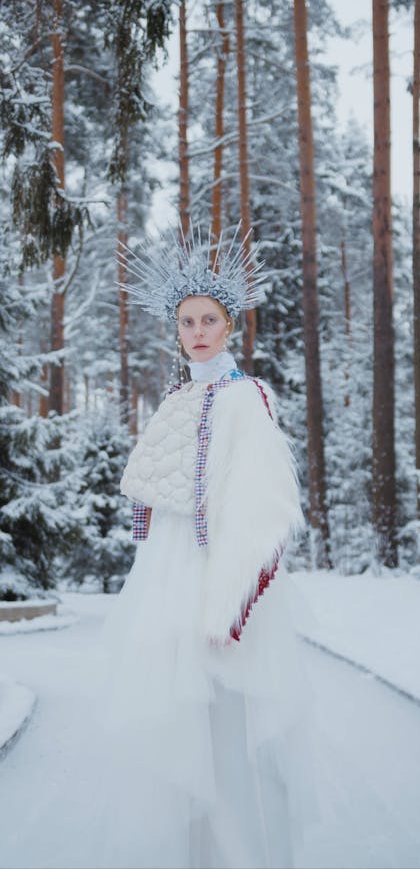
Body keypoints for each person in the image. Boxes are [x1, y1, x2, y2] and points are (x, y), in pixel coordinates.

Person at [15, 223, 323, 869]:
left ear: (231, 326)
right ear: (176, 329)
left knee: (230, 745)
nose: (199, 331)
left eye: (210, 319)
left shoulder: (244, 398)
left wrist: (225, 607)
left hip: (220, 600)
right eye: (187, 321)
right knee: (186, 749)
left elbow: (258, 507)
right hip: (168, 593)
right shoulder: (181, 399)